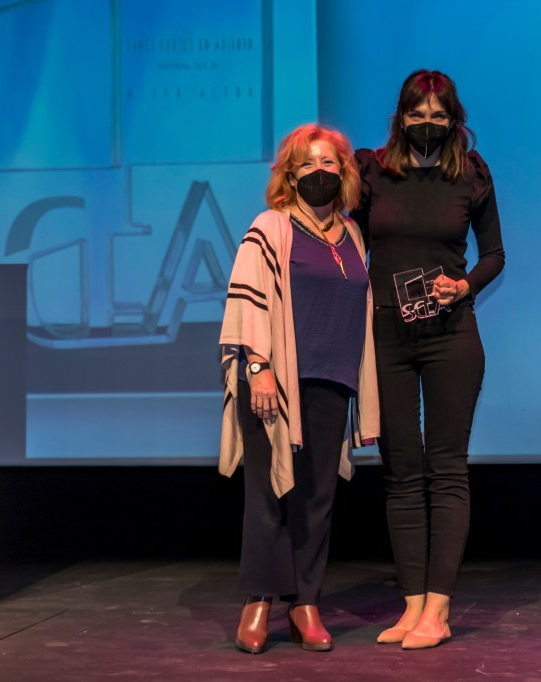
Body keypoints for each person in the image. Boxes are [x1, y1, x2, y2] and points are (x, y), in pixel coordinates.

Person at [351, 69, 505, 650]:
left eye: (439, 116)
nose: (428, 123)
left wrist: (463, 286)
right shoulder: (372, 172)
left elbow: (494, 254)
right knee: (400, 471)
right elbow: (343, 237)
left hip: (450, 334)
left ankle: (437, 610)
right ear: (401, 117)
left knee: (446, 468)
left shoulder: (471, 174)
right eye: (417, 114)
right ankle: (411, 604)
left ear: (454, 120)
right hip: (386, 335)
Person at [218, 123, 379, 654]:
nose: (318, 171)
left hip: (333, 380)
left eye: (328, 162)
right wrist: (258, 366)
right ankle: (259, 602)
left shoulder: (352, 235)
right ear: (290, 175)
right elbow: (247, 299)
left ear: (344, 171)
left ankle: (306, 603)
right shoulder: (271, 226)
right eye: (306, 164)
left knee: (316, 498)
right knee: (268, 494)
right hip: (274, 381)